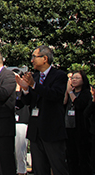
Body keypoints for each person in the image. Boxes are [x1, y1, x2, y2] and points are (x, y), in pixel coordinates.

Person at [15, 45, 69, 175]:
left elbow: (54, 95)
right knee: (39, 168)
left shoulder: (59, 76)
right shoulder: (36, 76)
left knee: (58, 167)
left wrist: (34, 85)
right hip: (35, 130)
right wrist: (26, 89)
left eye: (34, 57)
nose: (32, 60)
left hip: (52, 130)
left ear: (45, 58)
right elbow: (28, 102)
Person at [64, 71, 92, 175]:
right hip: (68, 128)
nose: (74, 80)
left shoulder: (85, 93)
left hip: (81, 130)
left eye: (77, 78)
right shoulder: (69, 92)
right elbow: (63, 103)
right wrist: (68, 92)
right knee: (71, 157)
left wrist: (71, 93)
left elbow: (80, 104)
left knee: (83, 157)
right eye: (73, 78)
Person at [13, 70, 30, 175]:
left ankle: (22, 171)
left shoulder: (25, 91)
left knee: (20, 150)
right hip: (9, 122)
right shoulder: (8, 90)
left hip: (22, 122)